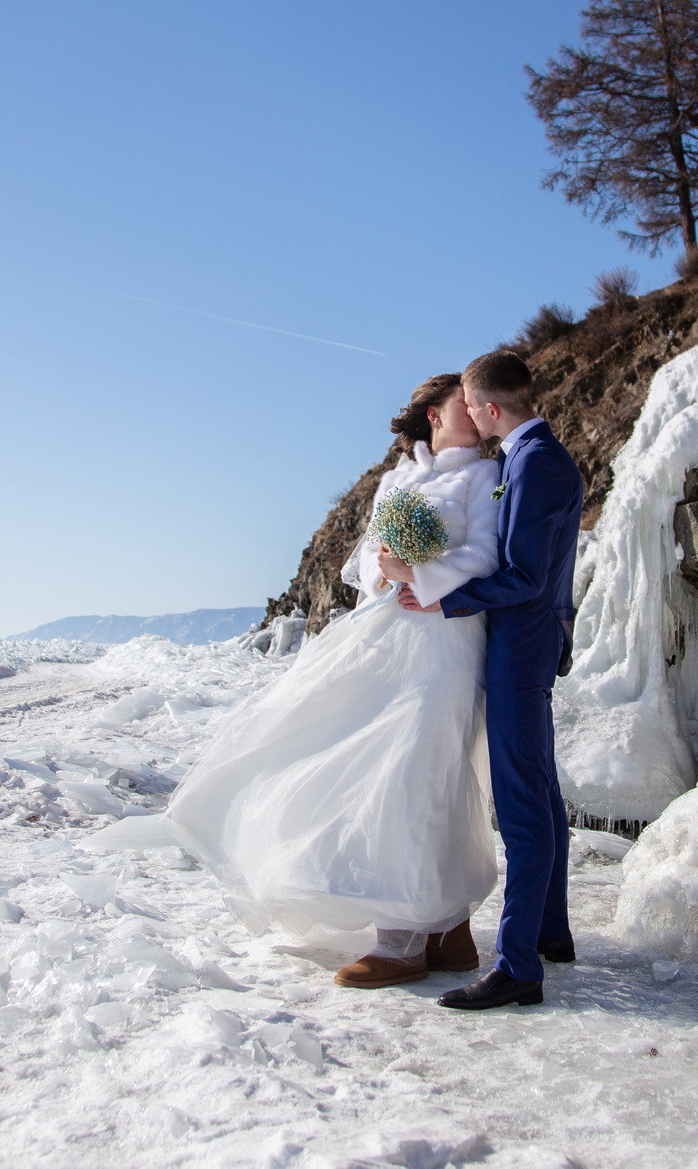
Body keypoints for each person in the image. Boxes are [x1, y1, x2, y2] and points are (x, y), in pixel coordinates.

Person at [152, 372, 503, 988]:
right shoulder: (396, 479)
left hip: (446, 638)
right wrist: (386, 570)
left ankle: (402, 944)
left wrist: (423, 573)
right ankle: (449, 935)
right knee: (377, 761)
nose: (475, 413)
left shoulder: (482, 476)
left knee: (419, 773)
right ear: (433, 415)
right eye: (462, 405)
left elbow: (485, 555)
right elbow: (366, 556)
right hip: (388, 636)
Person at [391, 350, 583, 1010]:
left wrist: (446, 599)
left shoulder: (535, 463)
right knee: (543, 795)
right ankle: (550, 932)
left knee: (523, 810)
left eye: (472, 406)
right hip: (525, 645)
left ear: (491, 408)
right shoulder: (527, 458)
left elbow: (526, 576)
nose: (468, 417)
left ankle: (518, 965)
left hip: (519, 650)